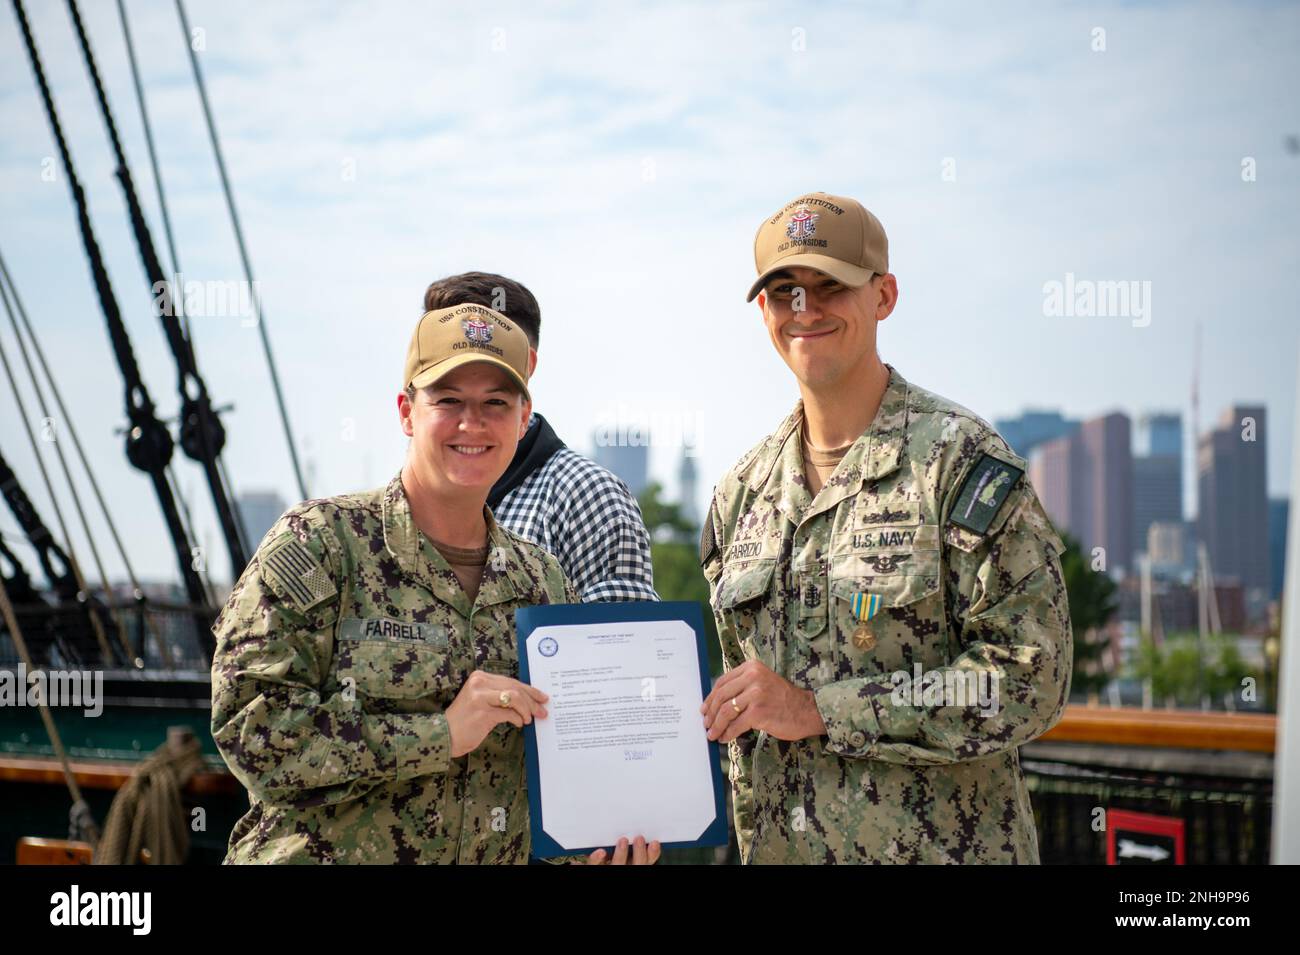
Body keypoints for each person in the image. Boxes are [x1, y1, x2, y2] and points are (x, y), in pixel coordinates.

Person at [698, 191, 1072, 864]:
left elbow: (1029, 677)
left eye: (830, 287)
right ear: (763, 312)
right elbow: (743, 727)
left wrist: (823, 709)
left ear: (884, 295)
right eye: (785, 293)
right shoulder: (739, 496)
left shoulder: (958, 463)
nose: (805, 311)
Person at [211, 302, 659, 864]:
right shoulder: (321, 544)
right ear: (406, 411)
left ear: (524, 421)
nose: (473, 424)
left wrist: (596, 846)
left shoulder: (541, 579)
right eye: (449, 400)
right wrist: (440, 734)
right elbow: (253, 732)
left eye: (496, 403)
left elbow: (555, 768)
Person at [423, 273, 657, 602]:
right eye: (447, 392)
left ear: (526, 363)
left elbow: (624, 647)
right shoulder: (360, 527)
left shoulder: (586, 496)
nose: (469, 421)